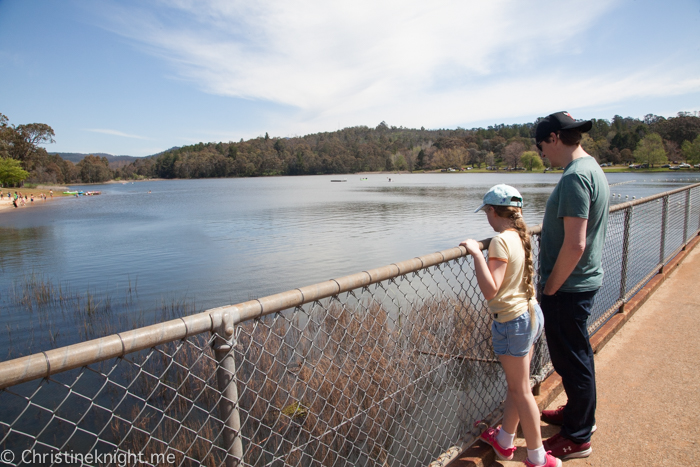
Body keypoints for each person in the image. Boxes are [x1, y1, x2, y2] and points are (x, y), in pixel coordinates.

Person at [461, 184, 559, 467]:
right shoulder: (520, 235)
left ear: (492, 211)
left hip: (512, 322)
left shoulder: (500, 241)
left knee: (522, 391)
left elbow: (491, 290)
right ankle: (504, 441)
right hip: (530, 315)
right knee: (518, 386)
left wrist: (477, 254)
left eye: (486, 213)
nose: (486, 218)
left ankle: (537, 457)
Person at [535, 112, 609, 460]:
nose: (543, 155)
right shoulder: (591, 167)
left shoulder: (576, 178)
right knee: (577, 356)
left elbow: (575, 243)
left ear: (553, 138)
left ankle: (578, 437)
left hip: (568, 287)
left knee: (572, 359)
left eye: (541, 148)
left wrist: (550, 288)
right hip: (578, 283)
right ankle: (579, 417)